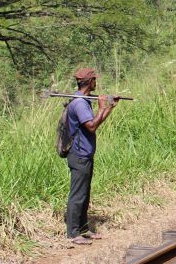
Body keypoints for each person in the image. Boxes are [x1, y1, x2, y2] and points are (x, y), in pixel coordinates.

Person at [65, 67, 116, 245]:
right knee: (77, 195)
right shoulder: (79, 103)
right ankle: (73, 234)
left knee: (85, 194)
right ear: (89, 82)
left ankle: (83, 229)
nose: (96, 82)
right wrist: (102, 107)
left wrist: (109, 108)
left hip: (85, 154)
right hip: (79, 155)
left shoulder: (83, 100)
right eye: (95, 79)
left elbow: (95, 122)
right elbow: (92, 126)